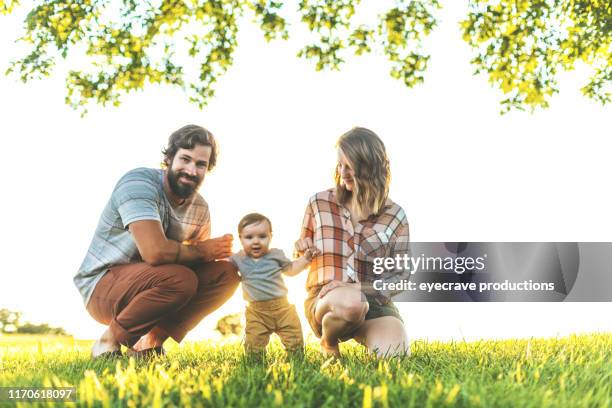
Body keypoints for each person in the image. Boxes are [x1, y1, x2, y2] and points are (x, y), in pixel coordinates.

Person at [74, 124, 240, 358]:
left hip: (157, 284)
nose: (191, 170)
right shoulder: (138, 183)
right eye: (185, 159)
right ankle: (107, 342)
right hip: (102, 285)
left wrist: (239, 259)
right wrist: (202, 251)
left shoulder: (200, 208)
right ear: (169, 159)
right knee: (180, 279)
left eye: (201, 164)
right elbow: (155, 252)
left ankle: (148, 345)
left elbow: (198, 261)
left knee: (225, 274)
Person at [295, 127, 411, 358]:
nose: (343, 172)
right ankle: (329, 342)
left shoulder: (395, 216)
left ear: (371, 166)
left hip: (375, 300)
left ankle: (364, 327)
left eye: (350, 166)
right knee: (352, 303)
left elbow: (401, 276)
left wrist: (360, 287)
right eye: (340, 165)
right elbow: (301, 255)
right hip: (327, 297)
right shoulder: (319, 203)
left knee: (394, 355)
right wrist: (302, 249)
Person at [230, 213, 318, 355]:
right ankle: (256, 366)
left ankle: (296, 362)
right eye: (249, 237)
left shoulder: (275, 255)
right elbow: (224, 268)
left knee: (294, 340)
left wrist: (305, 259)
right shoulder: (237, 259)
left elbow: (291, 270)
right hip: (256, 312)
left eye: (262, 236)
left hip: (283, 308)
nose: (256, 241)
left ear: (271, 236)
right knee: (253, 345)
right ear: (240, 238)